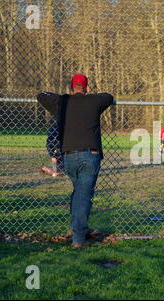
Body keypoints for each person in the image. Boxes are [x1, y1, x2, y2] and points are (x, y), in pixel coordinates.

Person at [37, 74, 114, 248]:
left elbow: (41, 95)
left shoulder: (62, 102)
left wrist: (62, 97)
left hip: (69, 156)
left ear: (72, 87)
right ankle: (78, 239)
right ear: (86, 87)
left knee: (79, 193)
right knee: (83, 195)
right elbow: (109, 97)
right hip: (89, 155)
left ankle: (78, 228)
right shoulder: (94, 101)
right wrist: (91, 96)